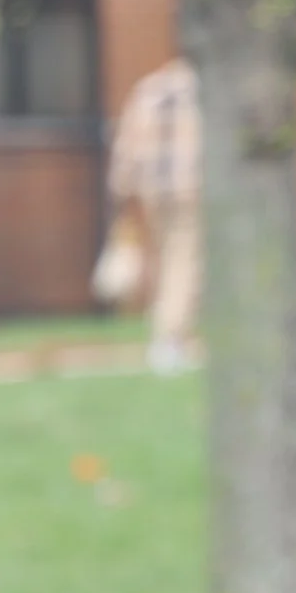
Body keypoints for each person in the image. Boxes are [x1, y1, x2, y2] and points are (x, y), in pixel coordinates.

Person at [106, 55, 200, 374]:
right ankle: (169, 340)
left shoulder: (148, 90)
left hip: (153, 191)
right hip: (192, 188)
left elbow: (126, 148)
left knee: (169, 258)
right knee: (185, 262)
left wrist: (122, 192)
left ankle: (170, 332)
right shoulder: (199, 92)